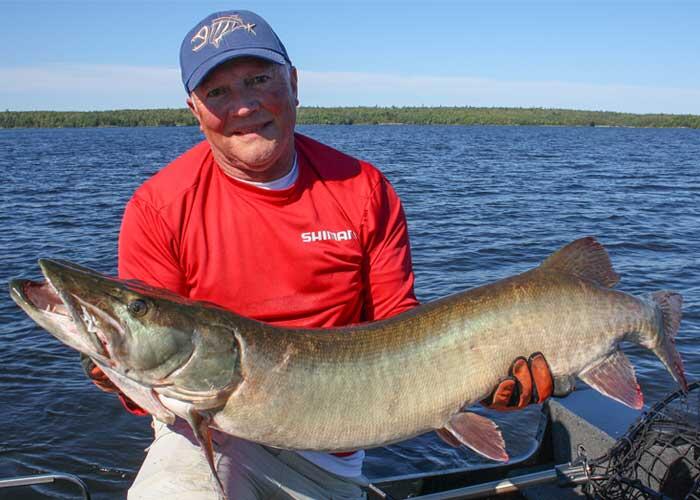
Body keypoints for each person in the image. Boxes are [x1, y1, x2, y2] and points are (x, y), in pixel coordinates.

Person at [83, 9, 554, 499]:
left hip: (334, 453)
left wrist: (484, 383)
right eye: (217, 92)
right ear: (194, 109)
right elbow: (155, 383)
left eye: (259, 79)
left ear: (293, 83)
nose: (243, 105)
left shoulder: (362, 189)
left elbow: (403, 331)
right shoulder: (159, 205)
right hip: (207, 439)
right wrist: (117, 368)